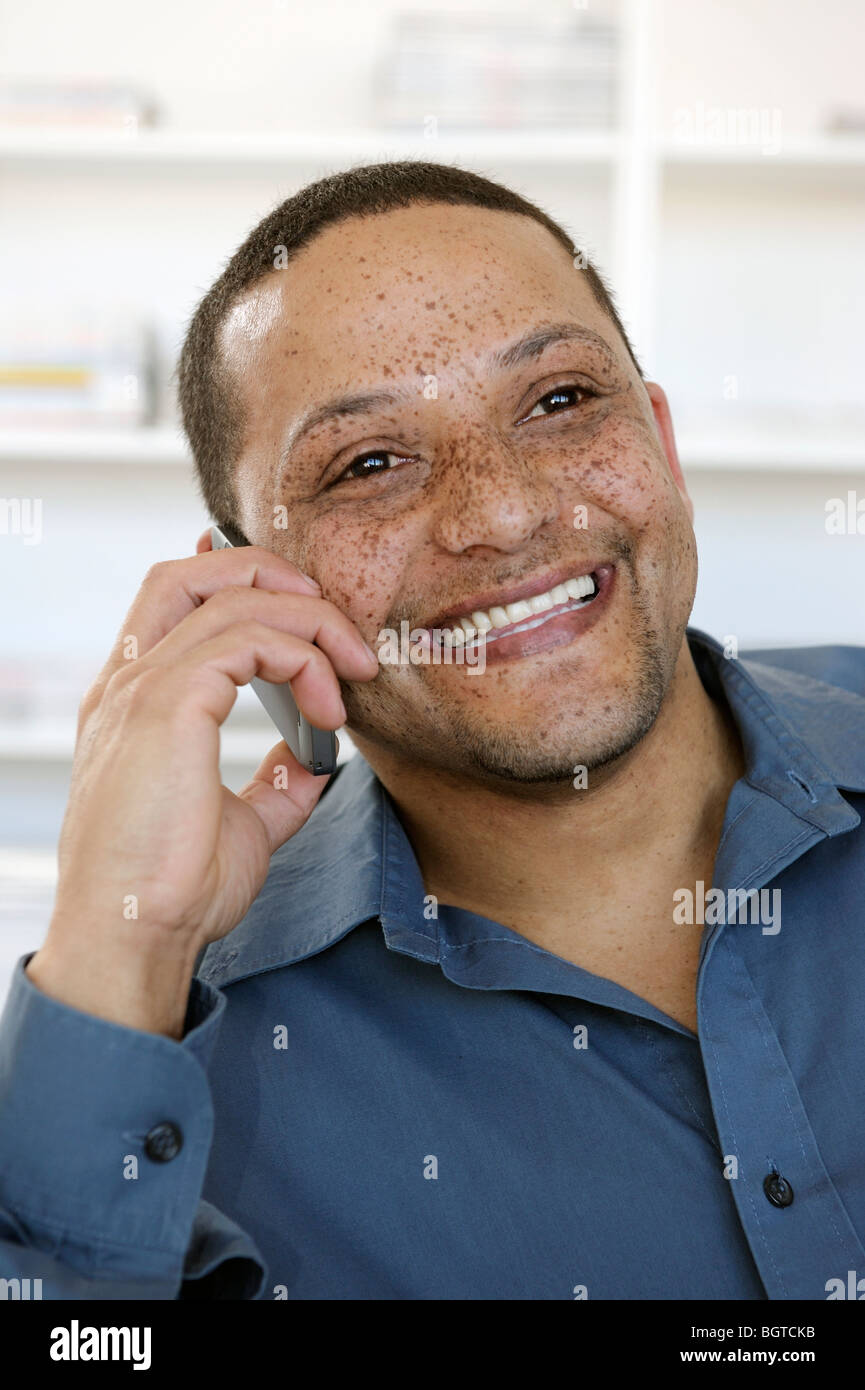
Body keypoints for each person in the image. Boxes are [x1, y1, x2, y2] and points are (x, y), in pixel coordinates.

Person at [2, 162, 863, 1300]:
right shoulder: (173, 1049)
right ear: (246, 588)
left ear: (658, 439)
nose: (503, 513)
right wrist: (123, 945)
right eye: (368, 465)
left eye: (558, 400)